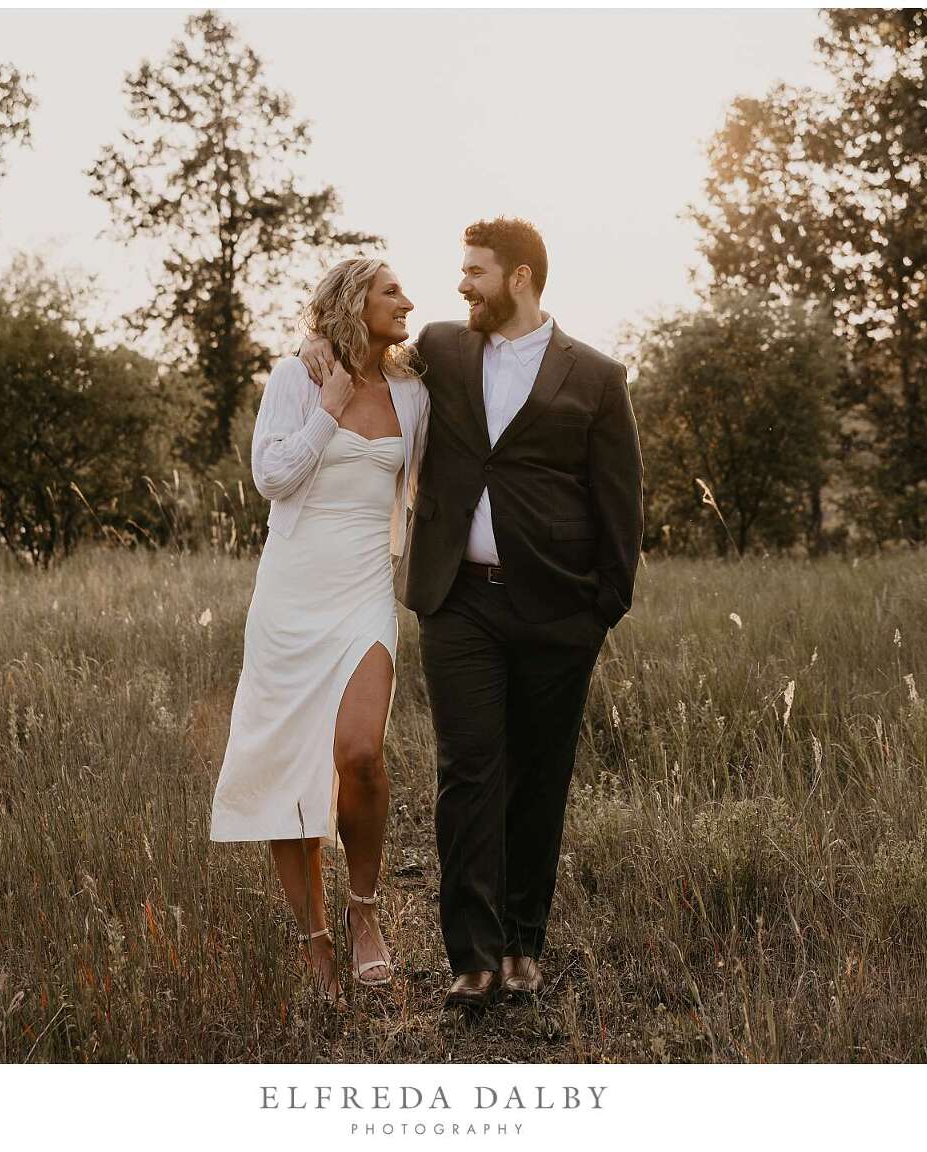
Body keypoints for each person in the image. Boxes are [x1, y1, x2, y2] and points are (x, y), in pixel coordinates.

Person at [301, 218, 643, 1011]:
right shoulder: (444, 349)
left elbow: (621, 502)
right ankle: (474, 958)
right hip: (457, 602)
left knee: (540, 778)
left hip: (559, 609)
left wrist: (602, 608)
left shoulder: (597, 376)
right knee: (468, 775)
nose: (461, 285)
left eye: (476, 272)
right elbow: (366, 356)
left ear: (519, 278)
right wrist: (318, 347)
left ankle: (523, 944)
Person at [211, 258, 429, 1002]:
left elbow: (426, 485)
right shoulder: (295, 379)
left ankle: (364, 910)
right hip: (291, 596)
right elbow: (272, 478)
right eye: (391, 291)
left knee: (359, 752)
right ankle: (315, 943)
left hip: (364, 591)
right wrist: (328, 408)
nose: (407, 301)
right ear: (353, 302)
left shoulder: (413, 394)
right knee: (288, 768)